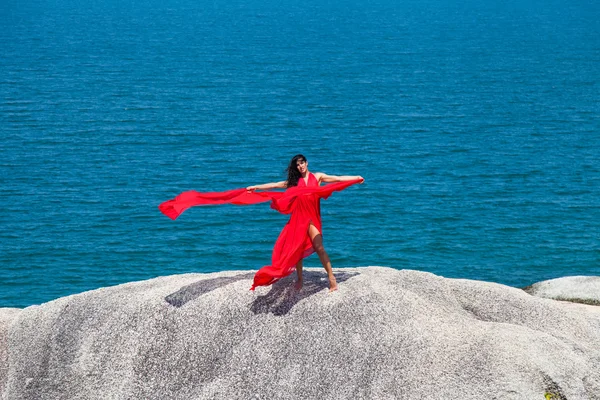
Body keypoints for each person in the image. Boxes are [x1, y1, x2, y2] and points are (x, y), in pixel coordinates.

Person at [246, 154, 363, 292]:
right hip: (299, 219)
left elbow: (337, 178)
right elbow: (276, 185)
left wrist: (356, 178)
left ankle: (331, 278)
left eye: (302, 163)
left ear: (307, 163)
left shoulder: (318, 177)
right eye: (297, 165)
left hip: (313, 218)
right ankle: (300, 278)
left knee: (319, 247)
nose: (300, 166)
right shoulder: (294, 182)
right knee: (298, 250)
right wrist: (256, 187)